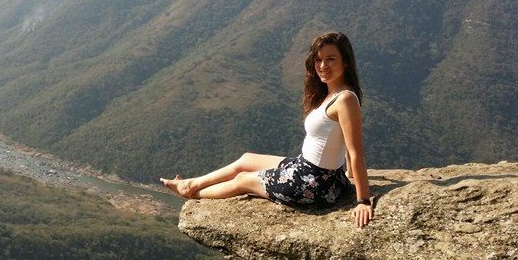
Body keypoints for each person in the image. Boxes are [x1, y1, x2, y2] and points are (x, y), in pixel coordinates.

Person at [160, 32, 374, 228]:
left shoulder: (345, 99)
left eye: (331, 59)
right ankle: (191, 184)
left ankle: (194, 194)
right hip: (307, 168)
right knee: (246, 159)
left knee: (243, 180)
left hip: (314, 183)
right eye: (318, 59)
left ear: (345, 62)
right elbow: (343, 138)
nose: (323, 65)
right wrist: (349, 174)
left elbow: (356, 152)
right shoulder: (332, 94)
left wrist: (363, 200)